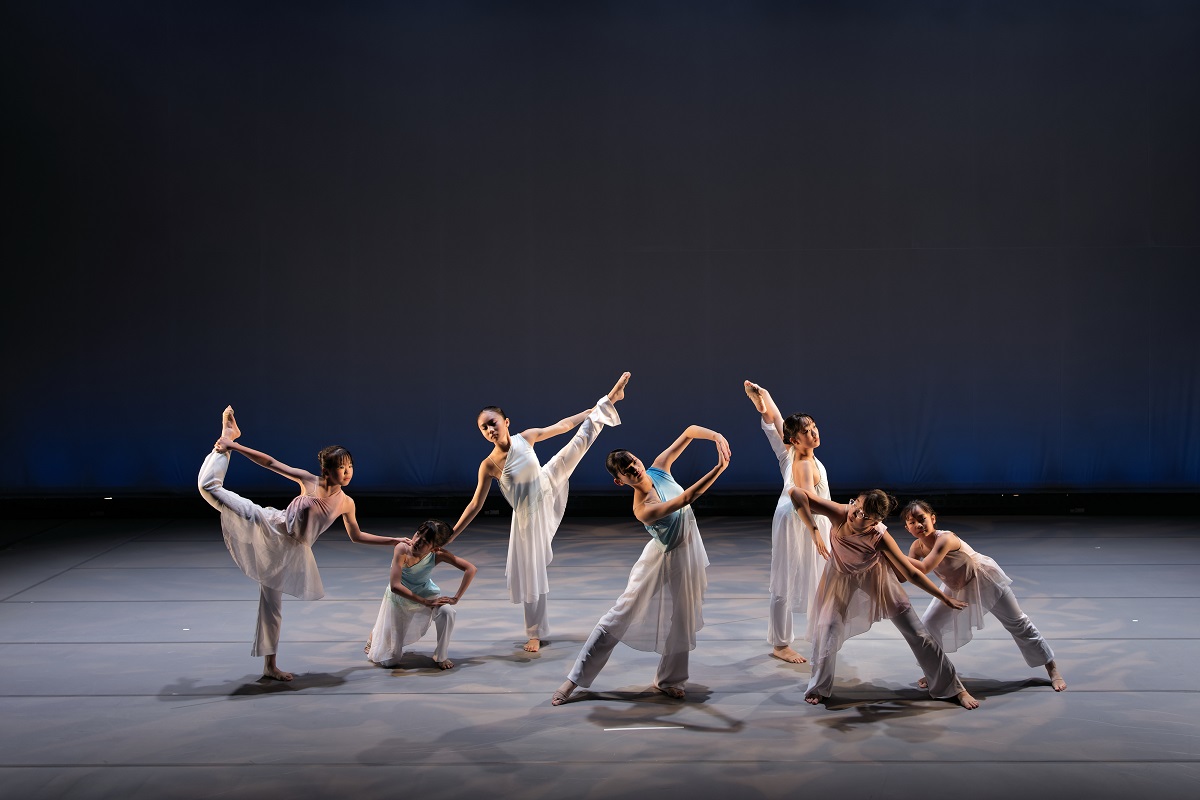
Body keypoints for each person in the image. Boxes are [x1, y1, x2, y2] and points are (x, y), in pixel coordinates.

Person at [198, 406, 403, 680]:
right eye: (341, 467)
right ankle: (227, 438)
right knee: (209, 487)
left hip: (291, 552)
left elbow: (356, 535)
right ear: (326, 470)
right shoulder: (310, 481)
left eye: (350, 466)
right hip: (269, 525)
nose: (347, 472)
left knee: (272, 607)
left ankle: (270, 666)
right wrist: (233, 446)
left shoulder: (346, 503)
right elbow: (271, 463)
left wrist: (393, 540)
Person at [451, 372, 630, 653]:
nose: (489, 430)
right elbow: (475, 504)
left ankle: (610, 399)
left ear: (506, 422)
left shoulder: (526, 437)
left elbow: (562, 426)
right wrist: (452, 533)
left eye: (492, 423)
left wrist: (593, 410)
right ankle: (534, 633)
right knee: (532, 573)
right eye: (483, 428)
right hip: (528, 518)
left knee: (577, 444)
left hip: (548, 482)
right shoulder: (488, 465)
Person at [551, 425, 730, 705]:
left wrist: (716, 436)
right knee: (620, 614)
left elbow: (689, 432)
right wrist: (719, 468)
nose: (634, 468)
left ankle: (669, 680)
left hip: (686, 552)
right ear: (620, 481)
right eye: (626, 470)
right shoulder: (642, 508)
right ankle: (573, 680)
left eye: (633, 461)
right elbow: (686, 499)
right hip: (663, 558)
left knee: (681, 618)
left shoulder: (659, 468)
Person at [790, 488, 979, 708]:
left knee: (917, 632)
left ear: (875, 521)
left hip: (876, 578)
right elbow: (796, 493)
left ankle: (955, 688)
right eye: (856, 505)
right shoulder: (841, 512)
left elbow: (911, 573)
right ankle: (819, 687)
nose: (855, 513)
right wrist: (813, 529)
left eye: (863, 515)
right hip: (840, 577)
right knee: (827, 627)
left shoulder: (879, 536)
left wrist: (943, 597)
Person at [902, 500, 1066, 692]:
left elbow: (924, 567)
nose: (918, 525)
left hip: (984, 580)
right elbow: (908, 575)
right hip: (956, 586)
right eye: (912, 522)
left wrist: (891, 551)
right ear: (907, 528)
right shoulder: (917, 547)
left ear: (933, 518)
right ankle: (936, 672)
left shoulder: (945, 538)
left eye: (922, 519)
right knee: (928, 625)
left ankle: (1052, 668)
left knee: (1018, 623)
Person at [744, 381, 830, 664]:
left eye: (813, 427)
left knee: (818, 576)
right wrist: (819, 529)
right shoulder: (800, 462)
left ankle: (818, 632)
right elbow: (805, 501)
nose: (814, 433)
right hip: (797, 521)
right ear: (794, 440)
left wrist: (763, 395)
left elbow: (776, 419)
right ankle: (781, 645)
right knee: (787, 578)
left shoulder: (789, 452)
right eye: (806, 431)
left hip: (800, 518)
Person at [366, 519, 477, 670]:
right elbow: (395, 586)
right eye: (418, 534)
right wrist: (425, 602)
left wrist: (456, 598)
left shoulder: (437, 554)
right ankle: (375, 633)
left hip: (426, 595)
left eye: (425, 541)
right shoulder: (402, 549)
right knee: (390, 661)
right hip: (400, 599)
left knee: (447, 612)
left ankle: (441, 656)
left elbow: (471, 569)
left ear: (434, 548)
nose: (417, 541)